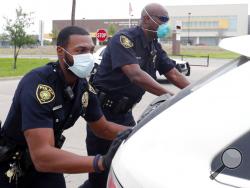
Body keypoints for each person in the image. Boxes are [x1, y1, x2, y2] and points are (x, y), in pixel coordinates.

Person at [0, 26, 131, 188]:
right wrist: (101, 162)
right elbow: (42, 156)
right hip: (12, 166)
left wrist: (136, 132)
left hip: (49, 163)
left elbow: (102, 128)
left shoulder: (82, 86)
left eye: (91, 50)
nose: (88, 56)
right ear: (60, 52)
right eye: (80, 50)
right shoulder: (39, 84)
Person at [82, 3, 191, 188]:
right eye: (162, 19)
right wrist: (170, 96)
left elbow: (172, 73)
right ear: (147, 18)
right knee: (100, 173)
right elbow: (135, 74)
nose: (166, 25)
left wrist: (194, 92)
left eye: (167, 20)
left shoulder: (154, 45)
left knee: (125, 162)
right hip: (102, 112)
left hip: (125, 113)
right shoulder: (124, 39)